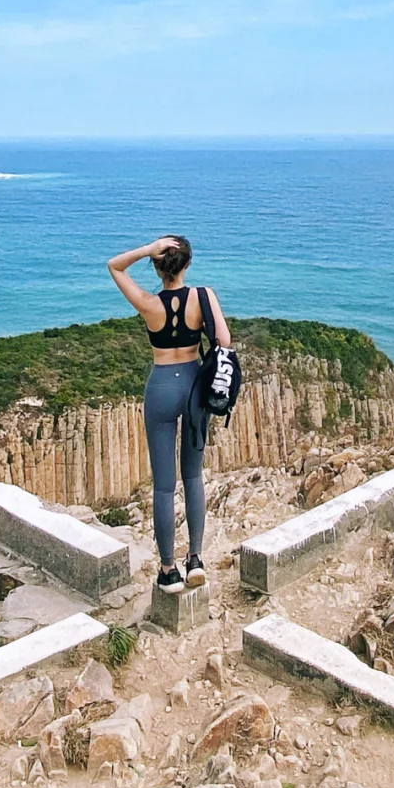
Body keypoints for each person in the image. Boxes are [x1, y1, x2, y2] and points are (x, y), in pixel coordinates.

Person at [107, 236, 231, 593]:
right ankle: (195, 560)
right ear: (187, 265)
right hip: (194, 387)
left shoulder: (147, 303)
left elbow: (114, 265)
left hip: (161, 387)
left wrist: (147, 249)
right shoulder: (203, 297)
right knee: (193, 477)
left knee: (164, 486)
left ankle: (168, 571)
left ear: (158, 267)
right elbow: (224, 340)